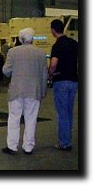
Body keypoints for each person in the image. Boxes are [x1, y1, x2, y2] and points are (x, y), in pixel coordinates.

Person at [2, 27, 48, 155]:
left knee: (14, 118)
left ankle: (12, 146)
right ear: (32, 39)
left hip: (16, 90)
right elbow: (44, 74)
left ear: (21, 39)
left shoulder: (12, 52)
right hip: (34, 91)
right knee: (31, 118)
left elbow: (6, 71)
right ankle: (28, 146)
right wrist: (43, 91)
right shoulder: (41, 53)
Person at [49, 19, 78, 151]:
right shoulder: (74, 43)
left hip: (61, 81)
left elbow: (54, 64)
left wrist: (50, 73)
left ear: (53, 30)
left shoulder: (57, 46)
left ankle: (64, 142)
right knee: (69, 112)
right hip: (73, 80)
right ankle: (68, 139)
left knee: (62, 113)